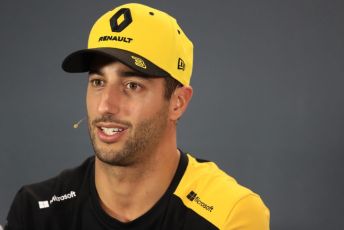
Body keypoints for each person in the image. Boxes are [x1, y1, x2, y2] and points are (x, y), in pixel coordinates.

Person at [5, 3, 270, 230]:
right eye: (98, 82)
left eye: (132, 85)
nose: (105, 106)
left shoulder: (229, 216)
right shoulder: (36, 211)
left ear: (178, 102)